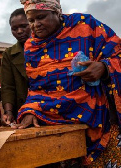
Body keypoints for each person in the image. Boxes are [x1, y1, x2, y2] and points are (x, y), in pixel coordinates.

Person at [16, 0, 121, 166]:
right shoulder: (32, 47)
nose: (36, 25)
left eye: (41, 17)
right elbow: (36, 89)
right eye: (31, 20)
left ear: (57, 12)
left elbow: (118, 53)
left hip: (98, 118)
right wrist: (31, 110)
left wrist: (103, 68)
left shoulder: (86, 26)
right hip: (54, 123)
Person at [0, 8, 31, 126]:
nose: (19, 31)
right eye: (14, 28)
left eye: (24, 26)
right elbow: (8, 86)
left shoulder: (47, 48)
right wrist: (8, 112)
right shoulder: (9, 54)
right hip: (22, 112)